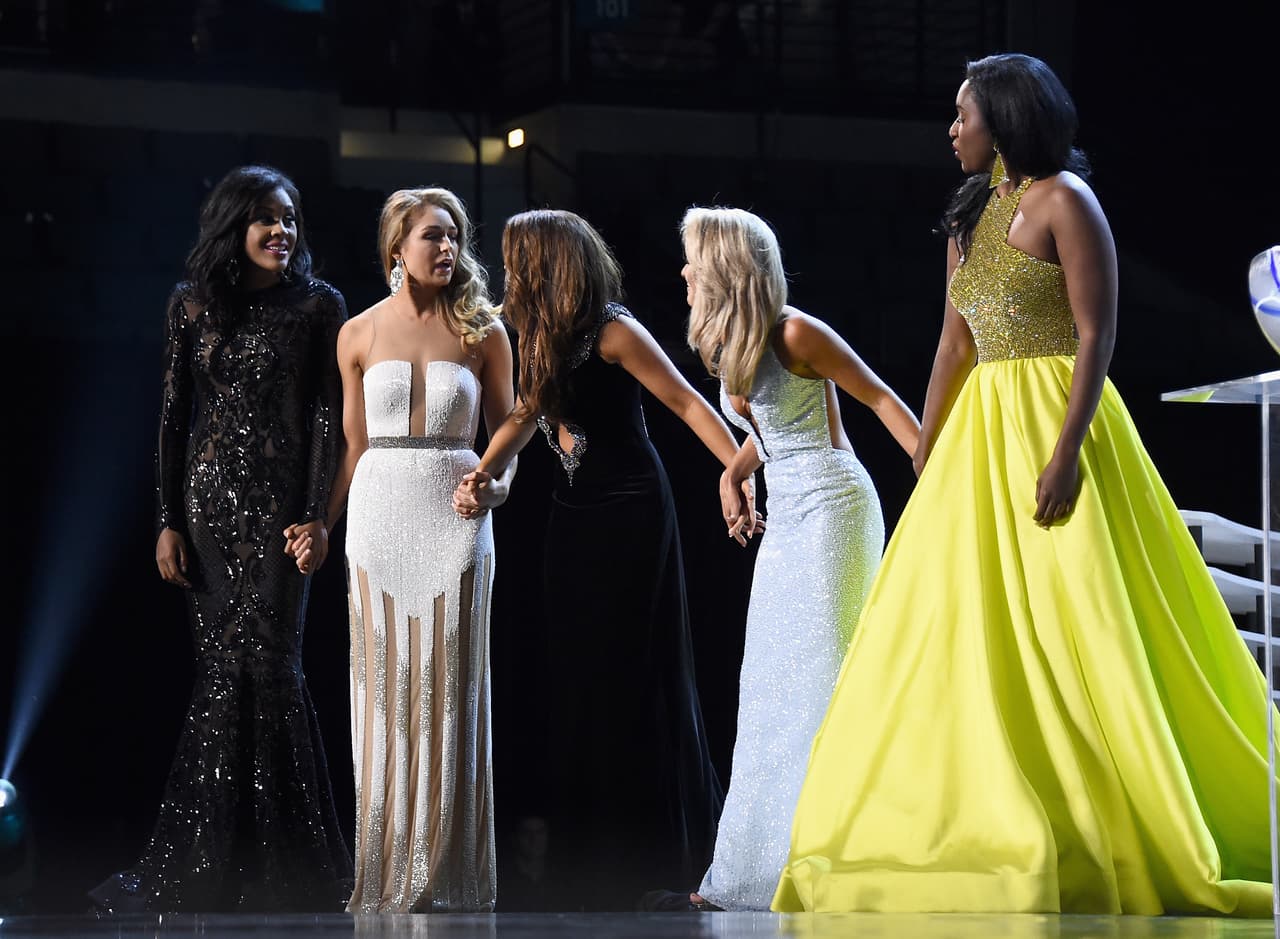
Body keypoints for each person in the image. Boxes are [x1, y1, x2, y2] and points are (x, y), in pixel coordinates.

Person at [772, 53, 1279, 916]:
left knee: (1080, 614)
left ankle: (1117, 812)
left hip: (1051, 416)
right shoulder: (970, 215)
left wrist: (1068, 446)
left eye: (963, 113)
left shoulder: (1065, 202)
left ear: (1003, 118)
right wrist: (930, 438)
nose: (952, 128)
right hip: (978, 433)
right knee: (962, 620)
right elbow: (953, 342)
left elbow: (1097, 330)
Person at [452, 209, 752, 910]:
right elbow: (525, 413)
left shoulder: (612, 329)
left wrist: (736, 469)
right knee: (581, 679)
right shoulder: (541, 336)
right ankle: (591, 849)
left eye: (517, 256)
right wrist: (481, 472)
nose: (509, 269)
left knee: (632, 672)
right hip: (573, 518)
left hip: (631, 513)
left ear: (548, 261)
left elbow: (683, 400)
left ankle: (654, 851)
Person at [91, 165, 352, 912]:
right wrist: (165, 520)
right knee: (218, 674)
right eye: (268, 218)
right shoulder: (193, 305)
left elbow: (328, 423)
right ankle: (209, 858)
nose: (283, 231)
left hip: (279, 517)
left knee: (274, 668)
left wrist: (315, 516)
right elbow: (173, 418)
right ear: (233, 225)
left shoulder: (318, 306)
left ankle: (289, 862)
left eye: (292, 218)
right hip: (206, 513)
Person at [678, 206, 919, 910]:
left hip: (836, 509)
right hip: (786, 517)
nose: (684, 272)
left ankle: (830, 858)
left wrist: (933, 465)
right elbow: (772, 429)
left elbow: (874, 396)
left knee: (822, 677)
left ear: (724, 266)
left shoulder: (794, 332)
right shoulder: (728, 341)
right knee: (768, 685)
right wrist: (733, 472)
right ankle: (754, 868)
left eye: (693, 258)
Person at [290, 188, 514, 912]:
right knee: (384, 700)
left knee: (449, 696)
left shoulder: (485, 332)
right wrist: (321, 522)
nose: (445, 247)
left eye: (452, 236)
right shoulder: (356, 333)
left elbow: (509, 439)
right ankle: (387, 870)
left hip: (456, 517)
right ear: (397, 249)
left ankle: (448, 874)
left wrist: (494, 489)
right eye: (430, 236)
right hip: (379, 520)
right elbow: (353, 448)